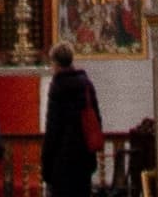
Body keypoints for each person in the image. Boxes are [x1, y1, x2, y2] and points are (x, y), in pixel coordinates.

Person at [41, 37, 103, 197]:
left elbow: (52, 130)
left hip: (62, 163)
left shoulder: (57, 87)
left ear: (55, 63)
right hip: (83, 160)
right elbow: (96, 119)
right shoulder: (87, 84)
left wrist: (46, 167)